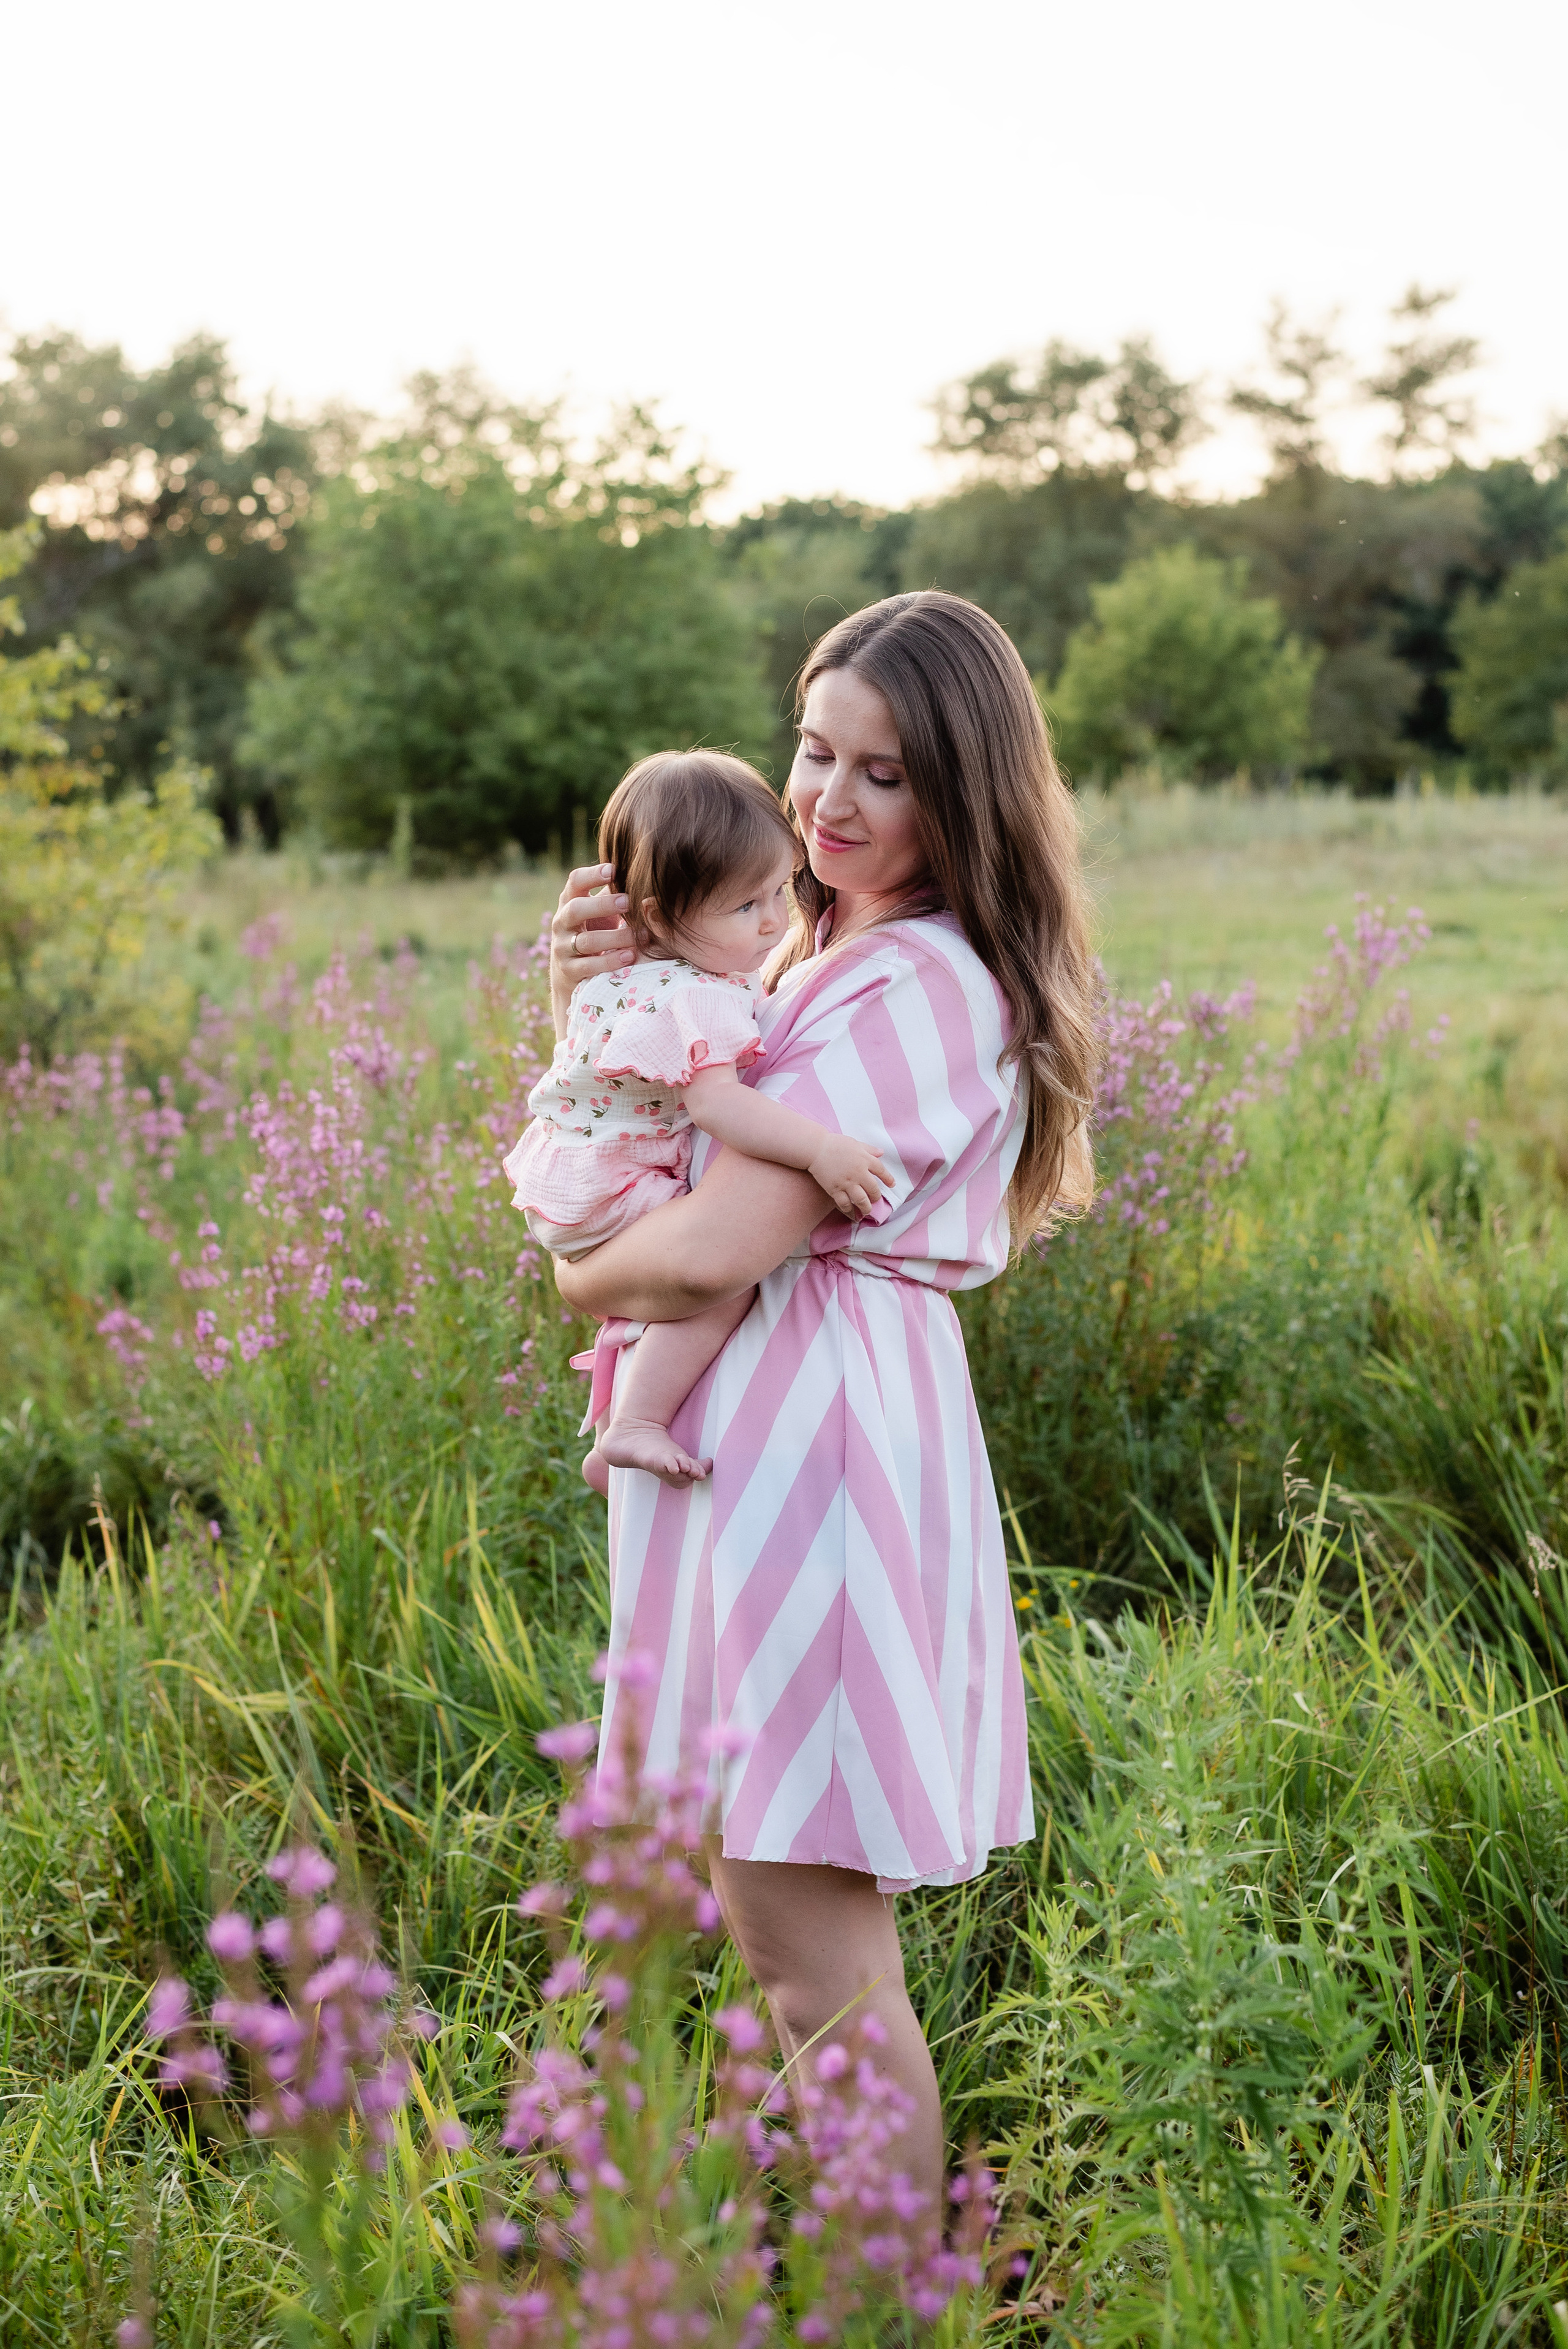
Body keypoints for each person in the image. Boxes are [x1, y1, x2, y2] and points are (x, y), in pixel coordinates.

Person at [548, 591, 1098, 2201]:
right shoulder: (820, 945)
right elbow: (668, 1143)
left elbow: (703, 1243)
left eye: (887, 774)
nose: (828, 803)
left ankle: (889, 2295)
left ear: (965, 795)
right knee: (782, 1940)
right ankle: (856, 2263)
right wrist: (602, 1011)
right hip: (772, 1455)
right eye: (815, 750)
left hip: (820, 1468)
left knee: (814, 1965)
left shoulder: (915, 983)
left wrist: (584, 1276)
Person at [503, 749, 889, 1492]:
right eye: (747, 906)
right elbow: (715, 1103)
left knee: (673, 1273)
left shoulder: (622, 976)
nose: (776, 919)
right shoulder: (700, 993)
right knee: (728, 1284)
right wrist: (819, 1151)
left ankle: (617, 1424)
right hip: (610, 1187)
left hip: (572, 1177)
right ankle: (634, 1424)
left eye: (780, 890)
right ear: (658, 915)